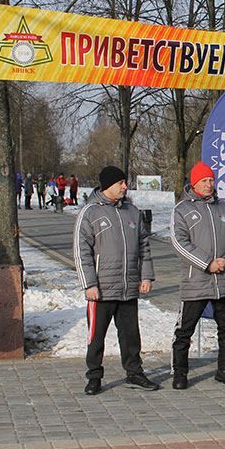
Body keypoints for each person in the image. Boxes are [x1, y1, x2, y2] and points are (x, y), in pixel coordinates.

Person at [73, 165, 158, 395]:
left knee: (131, 334)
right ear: (108, 185)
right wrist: (89, 284)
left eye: (125, 182)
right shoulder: (90, 212)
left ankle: (134, 372)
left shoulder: (132, 212)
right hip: (101, 289)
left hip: (128, 287)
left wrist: (146, 275)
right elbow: (81, 252)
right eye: (120, 183)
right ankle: (94, 376)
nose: (125, 186)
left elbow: (144, 246)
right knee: (96, 336)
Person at [170, 162, 225, 390]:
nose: (209, 184)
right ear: (194, 184)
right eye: (203, 181)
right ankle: (180, 373)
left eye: (211, 180)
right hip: (197, 281)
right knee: (185, 330)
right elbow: (179, 243)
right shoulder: (182, 210)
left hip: (223, 280)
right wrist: (206, 264)